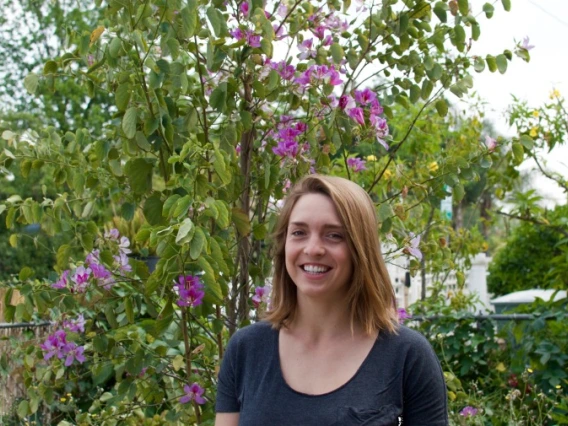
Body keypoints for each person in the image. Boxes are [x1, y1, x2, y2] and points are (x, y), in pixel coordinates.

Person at [215, 175, 448, 425]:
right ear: (284, 245)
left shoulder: (407, 356)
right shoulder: (247, 350)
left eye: (334, 235)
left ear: (361, 249)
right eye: (299, 232)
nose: (313, 248)